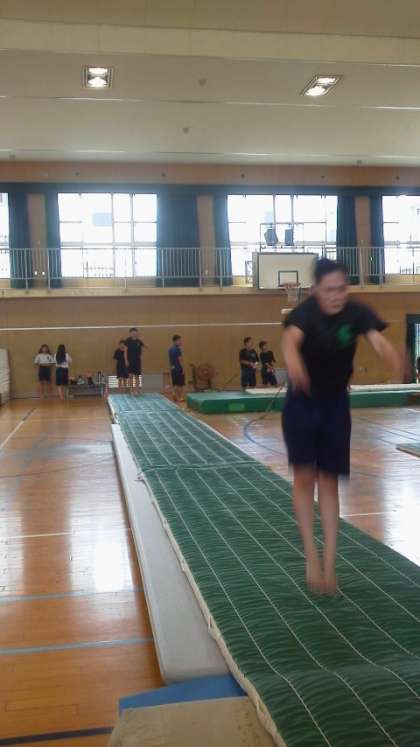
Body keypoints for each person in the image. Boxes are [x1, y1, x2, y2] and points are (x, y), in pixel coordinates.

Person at [282, 258, 401, 596]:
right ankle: (311, 557)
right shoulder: (305, 313)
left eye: (341, 289)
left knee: (329, 480)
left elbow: (376, 338)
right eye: (329, 290)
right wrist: (294, 365)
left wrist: (389, 354)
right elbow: (289, 342)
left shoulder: (356, 312)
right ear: (315, 289)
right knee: (305, 477)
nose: (336, 296)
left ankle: (330, 563)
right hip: (302, 401)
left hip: (335, 403)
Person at [124, 327, 146, 394]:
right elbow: (125, 351)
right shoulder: (127, 340)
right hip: (130, 360)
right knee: (130, 376)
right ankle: (131, 390)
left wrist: (143, 342)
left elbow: (145, 347)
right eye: (132, 332)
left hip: (137, 361)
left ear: (137, 333)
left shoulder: (139, 341)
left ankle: (137, 390)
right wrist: (126, 360)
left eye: (135, 332)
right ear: (130, 333)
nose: (134, 333)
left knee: (137, 376)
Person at [168, 334, 185, 402]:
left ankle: (174, 393)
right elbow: (180, 359)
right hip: (178, 368)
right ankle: (180, 397)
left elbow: (171, 359)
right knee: (180, 384)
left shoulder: (170, 349)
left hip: (173, 368)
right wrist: (183, 368)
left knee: (175, 383)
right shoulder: (178, 349)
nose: (180, 342)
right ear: (176, 341)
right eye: (179, 340)